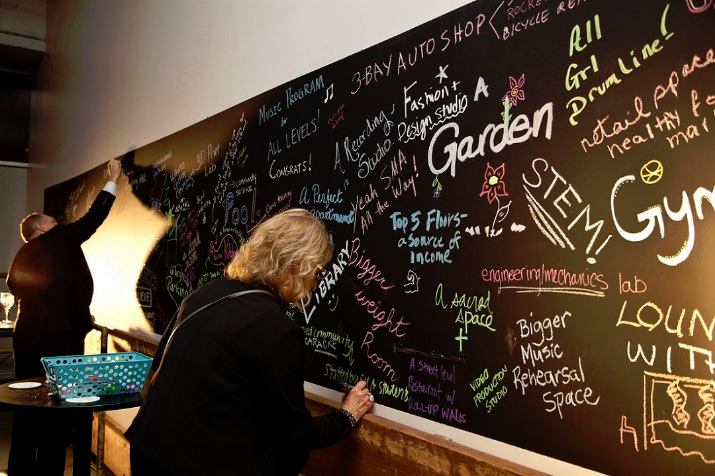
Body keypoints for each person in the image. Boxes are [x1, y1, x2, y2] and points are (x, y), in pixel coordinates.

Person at [125, 208, 374, 475]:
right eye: (317, 271)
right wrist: (346, 415)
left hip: (146, 451)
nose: (315, 283)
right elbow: (295, 434)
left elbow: (162, 364)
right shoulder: (277, 328)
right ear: (296, 264)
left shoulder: (205, 293)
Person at [6, 157, 122, 475]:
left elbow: (19, 287)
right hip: (61, 339)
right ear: (42, 229)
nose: (59, 223)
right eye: (53, 221)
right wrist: (113, 179)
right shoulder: (57, 238)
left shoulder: (23, 255)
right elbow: (93, 218)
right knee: (58, 411)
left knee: (27, 409)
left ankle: (20, 470)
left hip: (26, 338)